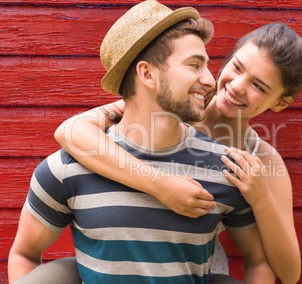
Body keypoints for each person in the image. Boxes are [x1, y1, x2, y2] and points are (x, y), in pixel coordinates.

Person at [8, 1, 275, 283]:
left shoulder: (226, 168)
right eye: (195, 65)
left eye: (207, 66)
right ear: (148, 74)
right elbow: (24, 254)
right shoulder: (66, 168)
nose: (210, 80)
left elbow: (259, 261)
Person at [54, 17, 302, 284]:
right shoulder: (174, 109)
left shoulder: (262, 159)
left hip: (197, 271)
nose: (237, 85)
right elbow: (70, 131)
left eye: (258, 86)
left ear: (281, 103)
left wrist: (261, 199)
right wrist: (161, 185)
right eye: (237, 67)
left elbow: (288, 273)